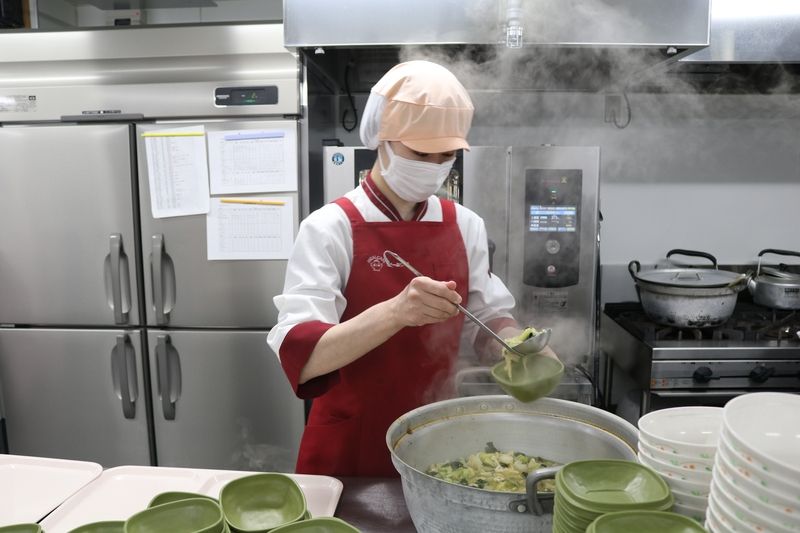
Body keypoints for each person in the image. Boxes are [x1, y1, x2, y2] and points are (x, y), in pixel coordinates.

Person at [267, 60, 558, 477]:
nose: (434, 166)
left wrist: (514, 346)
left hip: (436, 435)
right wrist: (396, 312)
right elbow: (305, 358)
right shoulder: (329, 228)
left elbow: (485, 319)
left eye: (447, 155)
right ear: (381, 139)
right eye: (421, 153)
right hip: (352, 440)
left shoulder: (465, 224)